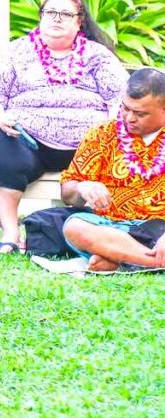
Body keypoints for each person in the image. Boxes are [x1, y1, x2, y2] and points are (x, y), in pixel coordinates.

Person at [0, 0, 128, 254]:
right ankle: (11, 232)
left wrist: (109, 133)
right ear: (41, 16)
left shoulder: (97, 55)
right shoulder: (17, 52)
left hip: (88, 146)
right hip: (27, 140)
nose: (56, 18)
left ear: (79, 21)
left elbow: (120, 99)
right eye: (51, 12)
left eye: (65, 14)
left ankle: (103, 232)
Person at [60, 69, 165, 271]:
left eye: (140, 113)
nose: (129, 118)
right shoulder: (102, 134)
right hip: (113, 228)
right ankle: (151, 263)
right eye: (125, 108)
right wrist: (82, 187)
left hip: (162, 229)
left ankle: (120, 260)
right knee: (75, 227)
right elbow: (67, 195)